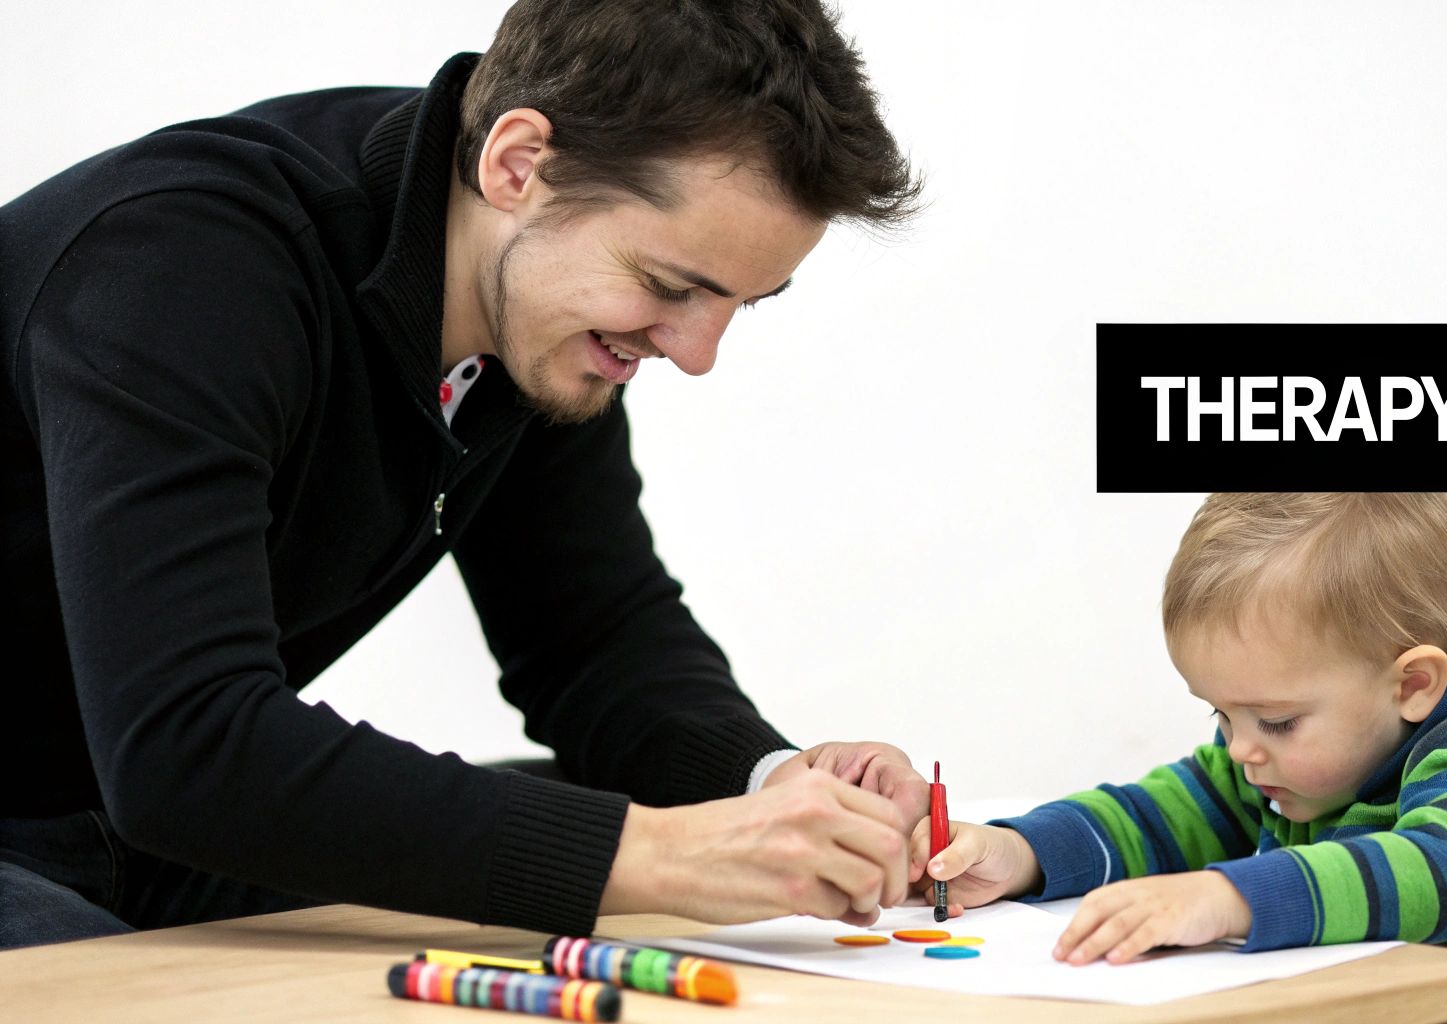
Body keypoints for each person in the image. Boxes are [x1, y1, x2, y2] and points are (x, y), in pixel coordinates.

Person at [0, 0, 926, 951]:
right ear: (518, 164)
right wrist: (662, 855)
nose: (696, 353)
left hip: (146, 828)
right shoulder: (182, 263)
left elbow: (594, 642)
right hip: (84, 817)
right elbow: (187, 749)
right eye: (671, 286)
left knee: (609, 843)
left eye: (744, 303)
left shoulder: (534, 324)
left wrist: (777, 788)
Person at [911, 493, 1447, 1023]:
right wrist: (1019, 851)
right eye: (1222, 713)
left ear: (1412, 685)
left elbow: (1437, 873)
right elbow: (1150, 816)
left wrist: (1230, 899)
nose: (1240, 747)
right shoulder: (1271, 769)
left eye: (1277, 720)